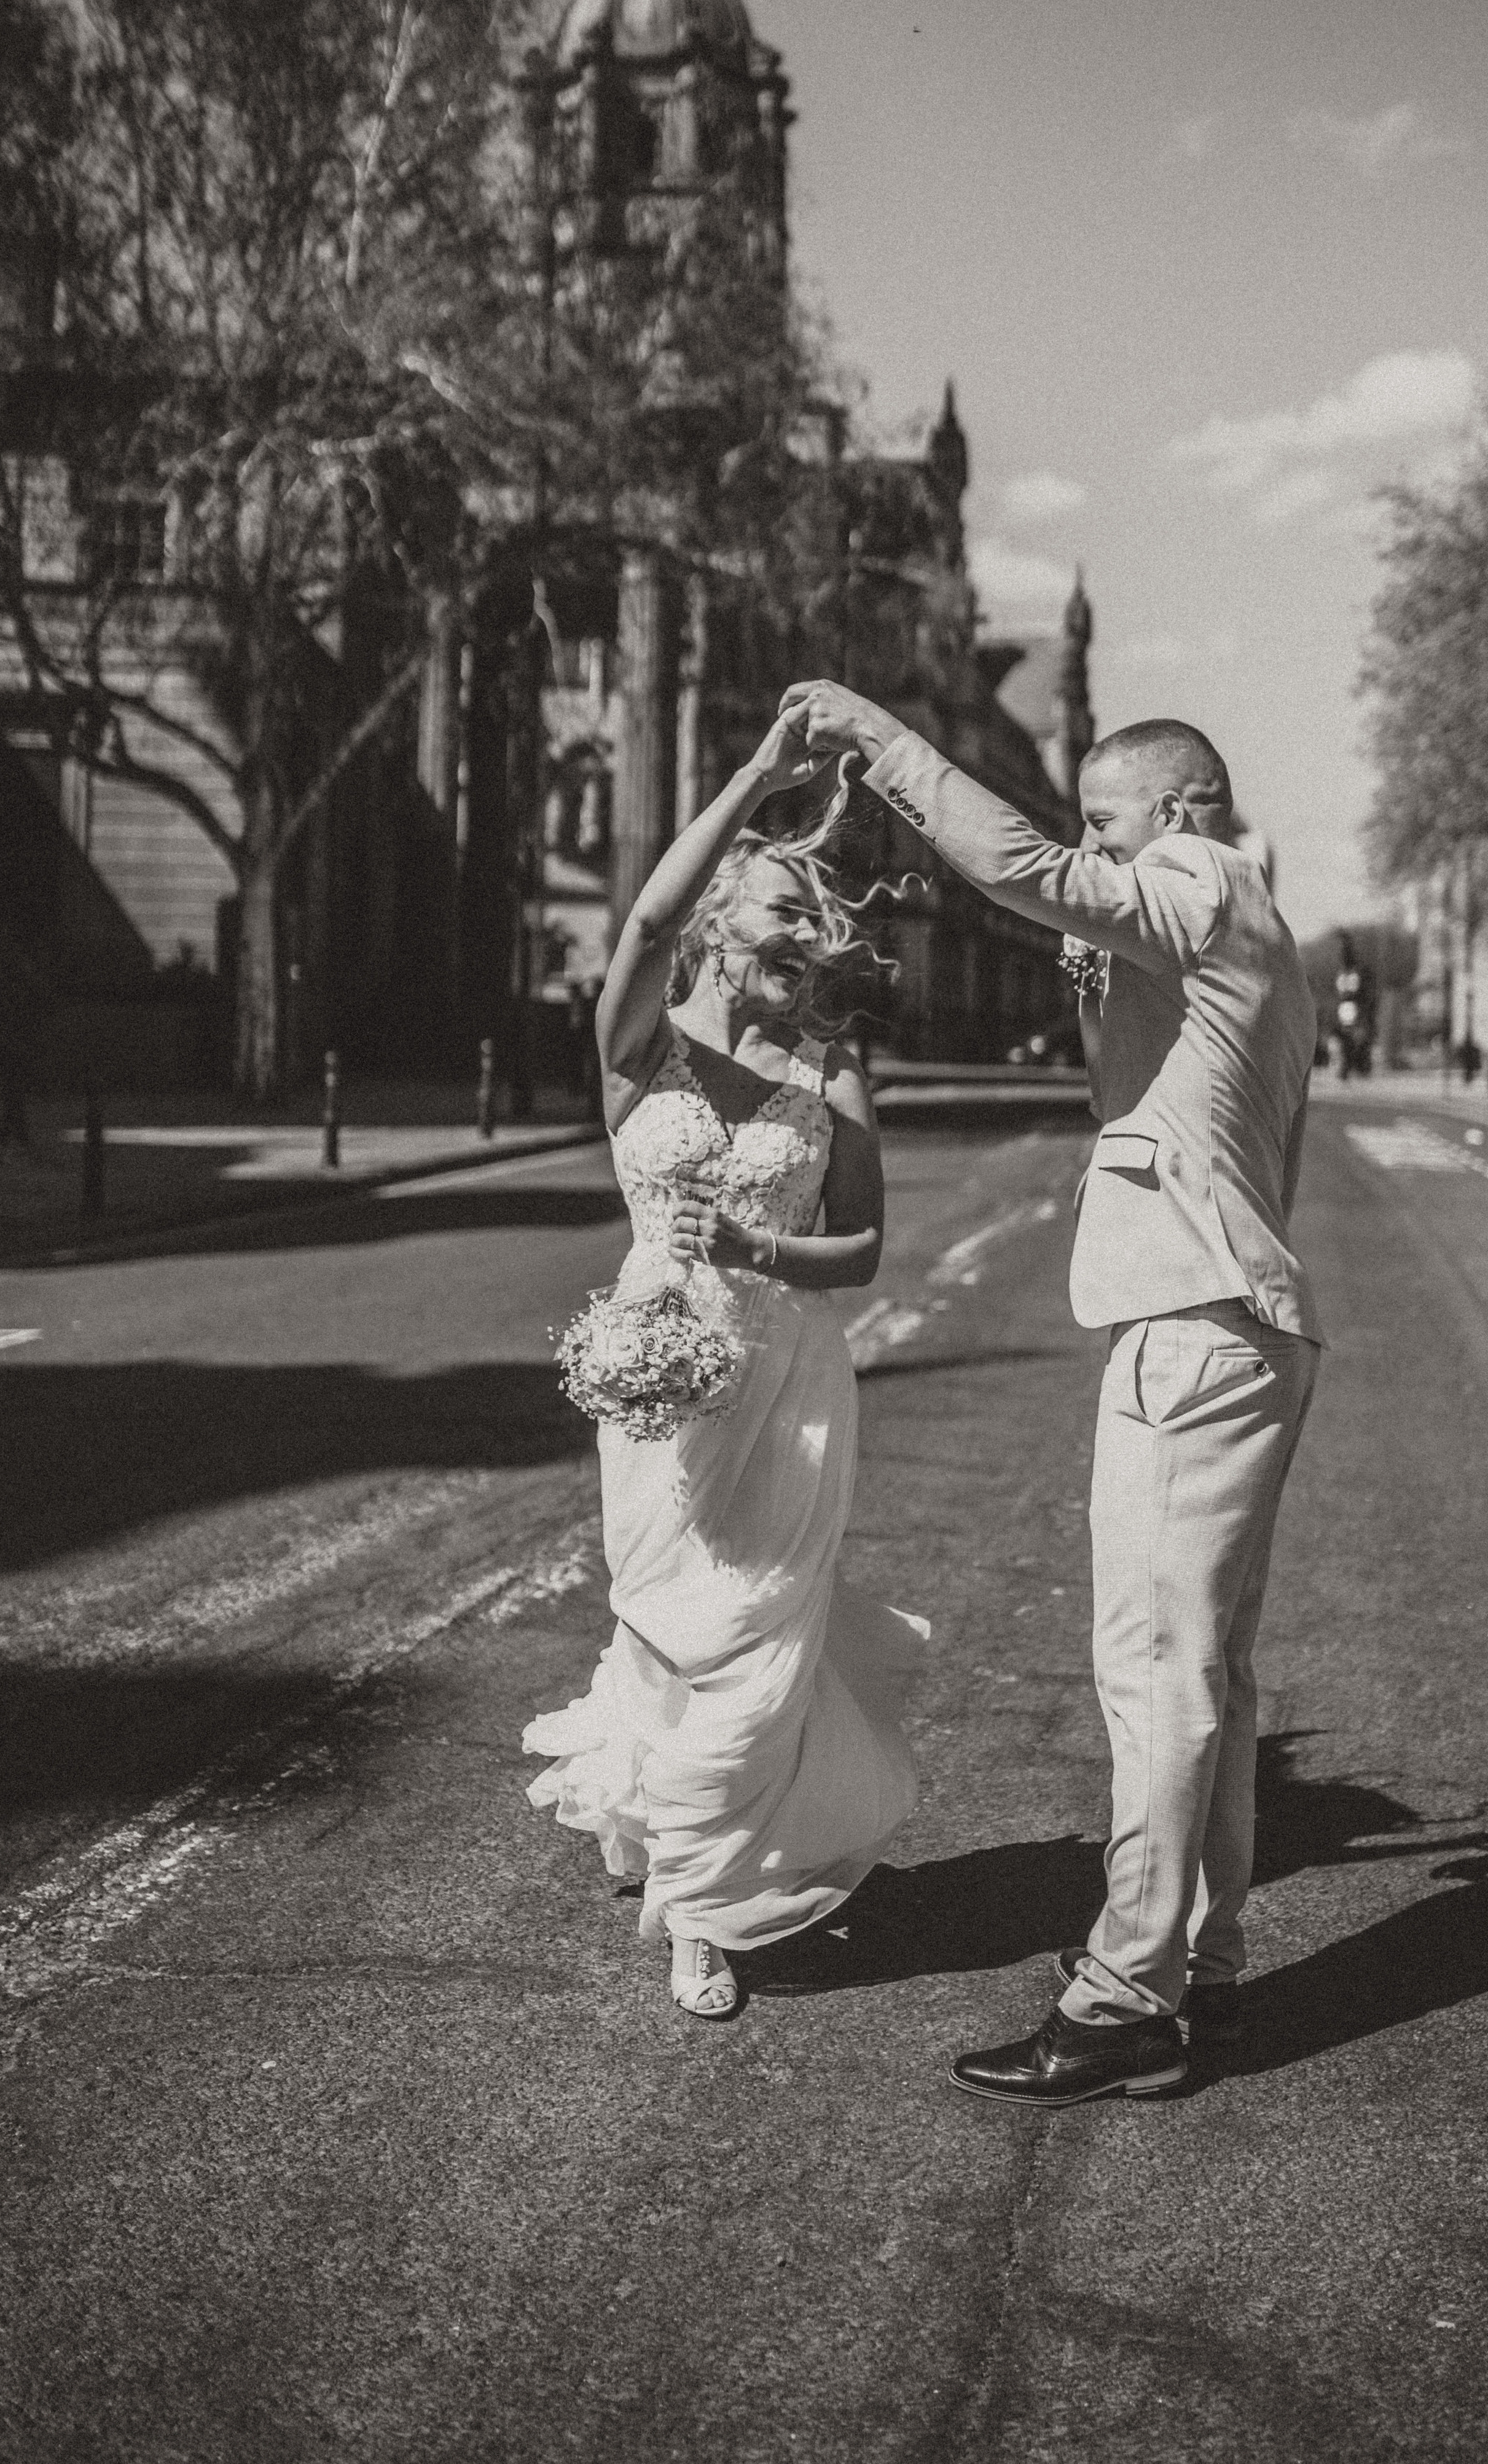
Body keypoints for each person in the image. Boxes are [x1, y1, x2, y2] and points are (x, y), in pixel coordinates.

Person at [782, 679, 1320, 2106]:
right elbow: (1166, 1125)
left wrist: (879, 744)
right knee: (1208, 1677)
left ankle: (1122, 1992)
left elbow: (1020, 871)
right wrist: (1102, 1018)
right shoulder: (1255, 931)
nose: (1093, 851)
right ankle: (1204, 1974)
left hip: (1186, 1331)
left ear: (1181, 813)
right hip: (1241, 1325)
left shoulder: (1198, 878)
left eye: (1108, 823)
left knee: (1151, 1678)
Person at [522, 709, 925, 2020]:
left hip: (793, 1384)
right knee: (667, 1619)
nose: (805, 947)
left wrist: (763, 1242)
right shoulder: (642, 1048)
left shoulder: (834, 1069)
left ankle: (701, 1908)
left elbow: (860, 1251)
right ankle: (668, 1819)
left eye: (815, 926)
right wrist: (758, 776)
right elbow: (637, 925)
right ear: (715, 932)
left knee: (753, 1635)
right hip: (655, 1370)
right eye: (777, 920)